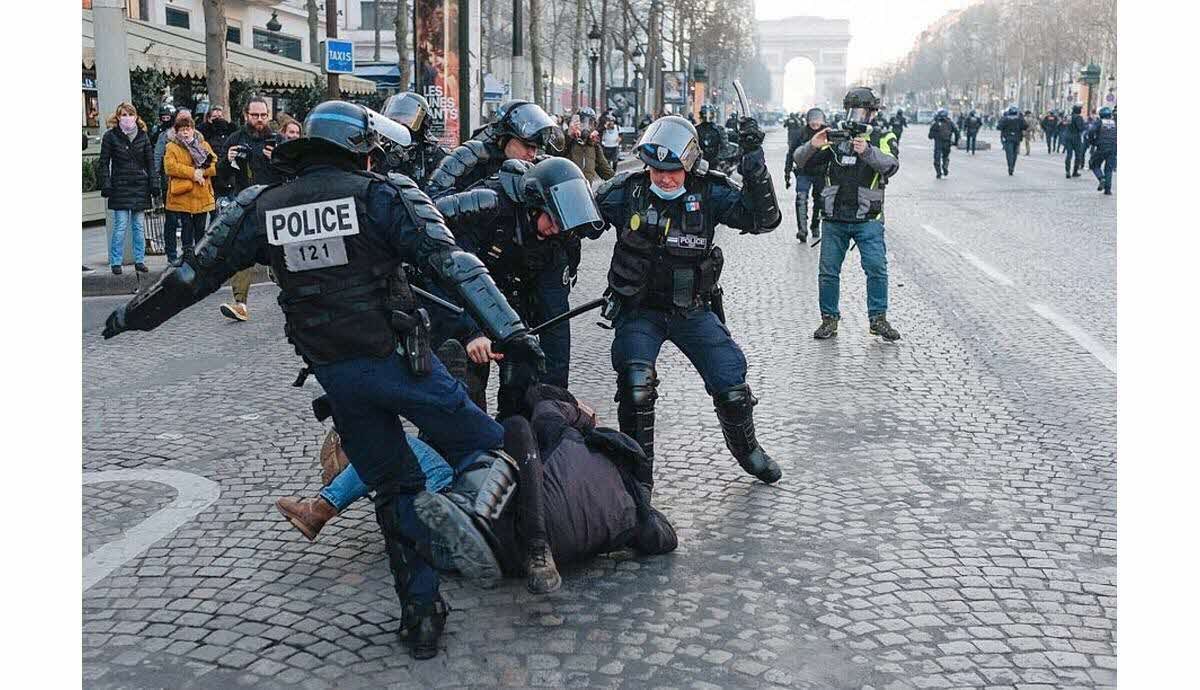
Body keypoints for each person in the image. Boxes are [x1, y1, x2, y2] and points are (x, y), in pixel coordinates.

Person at [102, 100, 546, 660]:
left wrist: (131, 317)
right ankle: (469, 518)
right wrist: (514, 333)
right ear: (360, 150)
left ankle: (420, 616)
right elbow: (455, 264)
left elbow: (192, 275)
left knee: (394, 487)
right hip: (401, 363)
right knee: (490, 445)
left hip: (339, 377)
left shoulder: (261, 206)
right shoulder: (383, 194)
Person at [584, 114, 784, 487]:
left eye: (673, 170)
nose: (664, 178)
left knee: (731, 381)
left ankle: (749, 452)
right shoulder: (626, 192)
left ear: (689, 164)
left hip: (692, 309)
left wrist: (753, 158)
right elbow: (578, 221)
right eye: (657, 170)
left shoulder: (709, 192)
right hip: (639, 310)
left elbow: (764, 220)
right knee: (635, 383)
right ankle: (638, 480)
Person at [414, 385, 677, 595]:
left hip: (474, 529)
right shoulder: (632, 513)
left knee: (389, 446)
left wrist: (579, 412)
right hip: (501, 554)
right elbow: (665, 539)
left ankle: (531, 543)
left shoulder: (564, 434)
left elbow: (537, 395)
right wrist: (645, 506)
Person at [792, 86, 901, 343]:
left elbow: (892, 165)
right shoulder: (833, 137)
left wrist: (867, 151)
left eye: (862, 111)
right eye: (853, 111)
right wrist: (812, 145)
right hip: (834, 218)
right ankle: (829, 319)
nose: (857, 116)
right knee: (828, 271)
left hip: (868, 218)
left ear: (873, 114)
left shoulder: (882, 136)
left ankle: (878, 319)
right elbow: (799, 160)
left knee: (876, 269)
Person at [215, 96, 284, 322]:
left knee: (280, 255)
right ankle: (240, 304)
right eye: (255, 116)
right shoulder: (235, 139)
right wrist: (227, 159)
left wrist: (277, 158)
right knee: (241, 254)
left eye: (263, 115)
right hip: (245, 204)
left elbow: (292, 173)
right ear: (246, 115)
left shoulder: (278, 140)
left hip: (274, 204)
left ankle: (294, 294)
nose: (260, 120)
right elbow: (221, 176)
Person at [425, 99, 563, 199]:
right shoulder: (469, 156)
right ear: (505, 137)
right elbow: (434, 195)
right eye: (527, 146)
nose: (532, 154)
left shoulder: (535, 168)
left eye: (536, 148)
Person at [97, 102, 154, 275]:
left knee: (138, 225)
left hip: (139, 185)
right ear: (118, 117)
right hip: (120, 185)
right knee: (121, 225)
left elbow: (150, 162)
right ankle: (116, 261)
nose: (127, 118)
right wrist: (106, 184)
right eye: (123, 115)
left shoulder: (143, 136)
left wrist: (154, 183)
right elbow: (104, 162)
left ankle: (140, 260)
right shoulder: (110, 136)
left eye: (130, 114)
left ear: (136, 117)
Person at [162, 112, 217, 263]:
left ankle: (199, 255)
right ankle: (187, 255)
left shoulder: (203, 145)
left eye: (188, 128)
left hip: (201, 194)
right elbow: (170, 167)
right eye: (181, 129)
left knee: (200, 227)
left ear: (193, 129)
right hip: (183, 194)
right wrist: (193, 173)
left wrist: (201, 172)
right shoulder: (172, 146)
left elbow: (213, 165)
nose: (185, 132)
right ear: (177, 131)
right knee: (186, 226)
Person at [380, 92, 449, 185]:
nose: (399, 124)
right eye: (395, 119)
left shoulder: (434, 155)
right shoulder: (380, 152)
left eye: (406, 119)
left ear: (424, 123)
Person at [784, 107, 826, 242]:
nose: (815, 123)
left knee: (820, 200)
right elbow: (791, 153)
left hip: (821, 173)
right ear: (808, 121)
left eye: (818, 120)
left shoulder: (827, 133)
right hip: (804, 172)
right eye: (812, 120)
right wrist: (787, 172)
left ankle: (815, 225)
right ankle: (802, 230)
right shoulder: (801, 133)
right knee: (801, 199)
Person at [561, 107, 614, 184]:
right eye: (583, 122)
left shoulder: (594, 145)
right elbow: (555, 155)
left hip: (585, 191)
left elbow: (605, 170)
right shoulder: (568, 139)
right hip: (567, 189)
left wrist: (620, 181)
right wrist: (568, 136)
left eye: (590, 123)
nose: (587, 126)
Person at [1086, 106, 1116, 195]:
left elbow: (1091, 131)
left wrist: (1093, 141)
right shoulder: (1115, 123)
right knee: (1109, 168)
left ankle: (1101, 178)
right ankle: (1108, 190)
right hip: (1113, 147)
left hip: (1102, 147)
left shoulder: (1099, 122)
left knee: (1094, 163)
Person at [927, 107, 959, 179]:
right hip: (947, 143)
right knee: (945, 157)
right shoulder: (950, 123)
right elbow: (957, 132)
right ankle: (945, 167)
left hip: (938, 144)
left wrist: (935, 135)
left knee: (937, 159)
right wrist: (956, 142)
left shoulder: (935, 123)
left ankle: (938, 173)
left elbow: (930, 136)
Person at [695, 104, 728, 170]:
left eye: (710, 114)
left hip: (715, 162)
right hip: (699, 162)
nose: (707, 116)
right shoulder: (696, 129)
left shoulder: (719, 129)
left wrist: (718, 159)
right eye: (705, 114)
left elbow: (724, 146)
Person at [997, 105, 1027, 176]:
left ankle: (1010, 167)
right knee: (1014, 154)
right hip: (1017, 138)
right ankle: (1012, 166)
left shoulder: (1005, 118)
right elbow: (1025, 126)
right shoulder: (1019, 118)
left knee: (1009, 154)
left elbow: (999, 127)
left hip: (1008, 138)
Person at [1063, 104, 1087, 178]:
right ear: (1078, 110)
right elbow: (1081, 128)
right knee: (1078, 155)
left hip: (1067, 136)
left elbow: (1064, 124)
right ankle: (1075, 171)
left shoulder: (1068, 116)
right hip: (1076, 137)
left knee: (1069, 155)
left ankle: (1067, 171)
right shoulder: (1078, 117)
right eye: (1080, 109)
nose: (1081, 110)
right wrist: (1085, 126)